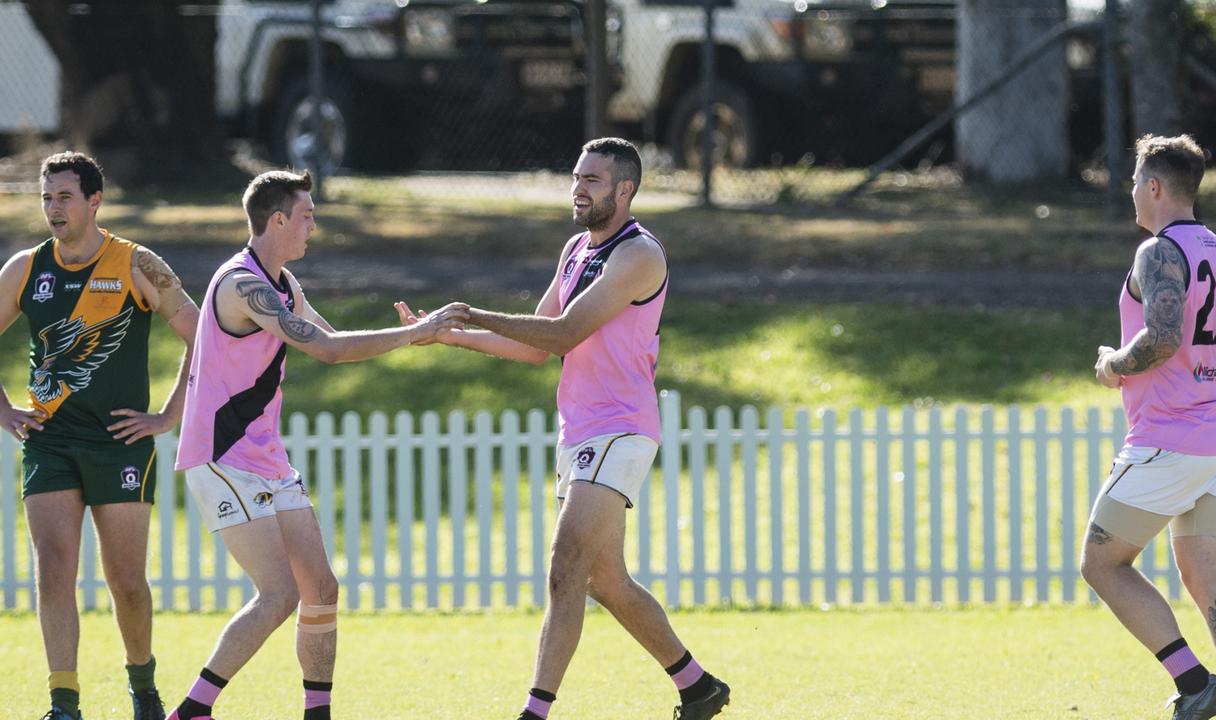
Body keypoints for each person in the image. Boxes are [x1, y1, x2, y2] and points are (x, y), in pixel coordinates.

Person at [399, 137, 729, 720]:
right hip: (580, 433)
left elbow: (561, 334)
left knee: (565, 564)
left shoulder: (639, 255)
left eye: (593, 181)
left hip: (621, 429)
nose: (578, 189)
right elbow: (532, 347)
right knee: (605, 579)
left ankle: (534, 712)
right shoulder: (577, 248)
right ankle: (697, 686)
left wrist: (470, 311)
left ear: (625, 190)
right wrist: (448, 333)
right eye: (576, 178)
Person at [167, 169, 465, 720]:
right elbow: (325, 349)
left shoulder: (281, 283)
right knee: (279, 595)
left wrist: (419, 333)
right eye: (306, 215)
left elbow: (334, 339)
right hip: (222, 457)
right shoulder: (242, 283)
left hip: (265, 459)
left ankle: (317, 713)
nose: (314, 225)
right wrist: (414, 336)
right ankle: (191, 711)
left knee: (321, 588)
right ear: (277, 220)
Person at [0, 151, 198, 720]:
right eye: (46, 197)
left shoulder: (138, 264)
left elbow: (201, 336)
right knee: (55, 564)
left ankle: (144, 688)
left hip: (120, 445)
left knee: (127, 582)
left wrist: (166, 417)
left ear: (94, 201)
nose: (53, 208)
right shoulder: (26, 268)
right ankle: (63, 703)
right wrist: (7, 412)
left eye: (64, 197)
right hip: (49, 442)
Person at [1081, 134, 1216, 720]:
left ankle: (1193, 683)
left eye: (1137, 181)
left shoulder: (1158, 251)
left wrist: (1113, 365)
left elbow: (1161, 338)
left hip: (1169, 440)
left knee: (1101, 563)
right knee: (1210, 576)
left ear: (1156, 186)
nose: (1133, 191)